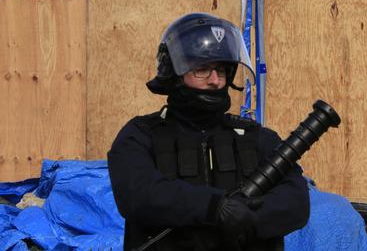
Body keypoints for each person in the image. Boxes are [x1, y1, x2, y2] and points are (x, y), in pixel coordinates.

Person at [107, 13, 310, 251]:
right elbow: (138, 194)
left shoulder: (256, 138)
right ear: (175, 74)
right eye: (202, 69)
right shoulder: (141, 135)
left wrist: (249, 218)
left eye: (221, 70)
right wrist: (213, 207)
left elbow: (296, 201)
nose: (215, 80)